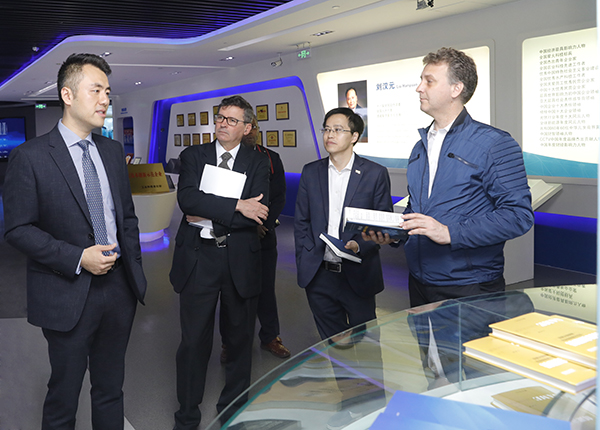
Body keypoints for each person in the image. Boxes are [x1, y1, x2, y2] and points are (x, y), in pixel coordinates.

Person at [3, 53, 147, 429]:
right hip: (67, 291)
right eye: (96, 90)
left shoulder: (112, 152)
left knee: (110, 389)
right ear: (67, 95)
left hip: (119, 289)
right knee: (64, 395)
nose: (105, 100)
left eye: (108, 92)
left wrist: (133, 270)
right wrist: (78, 257)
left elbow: (126, 217)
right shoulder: (30, 157)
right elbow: (17, 229)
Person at [364, 47, 534, 307]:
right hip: (419, 281)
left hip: (469, 285)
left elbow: (518, 216)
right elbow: (418, 210)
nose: (419, 88)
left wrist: (449, 232)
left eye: (429, 81)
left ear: (456, 89)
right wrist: (394, 234)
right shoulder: (420, 147)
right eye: (421, 80)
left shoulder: (494, 143)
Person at [170, 95, 270, 429]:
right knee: (193, 341)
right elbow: (187, 200)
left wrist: (209, 210)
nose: (223, 124)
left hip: (239, 259)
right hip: (199, 258)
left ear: (247, 128)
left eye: (231, 120)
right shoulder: (193, 155)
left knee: (240, 340)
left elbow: (260, 212)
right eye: (220, 117)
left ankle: (233, 409)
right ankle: (187, 414)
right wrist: (238, 206)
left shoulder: (258, 162)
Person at [294, 107, 392, 341]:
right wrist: (304, 257)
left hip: (357, 272)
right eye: (327, 129)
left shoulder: (374, 174)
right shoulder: (311, 172)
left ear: (354, 136)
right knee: (333, 344)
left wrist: (359, 245)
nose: (330, 135)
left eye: (338, 129)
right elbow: (302, 221)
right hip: (318, 273)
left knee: (366, 343)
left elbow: (382, 222)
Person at [220, 117, 290, 362]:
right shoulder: (225, 158)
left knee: (265, 288)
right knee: (232, 292)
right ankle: (230, 343)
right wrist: (246, 225)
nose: (250, 132)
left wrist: (263, 225)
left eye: (254, 128)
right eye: (246, 127)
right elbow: (220, 198)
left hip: (264, 236)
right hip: (234, 236)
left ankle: (270, 336)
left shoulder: (271, 158)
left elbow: (279, 197)